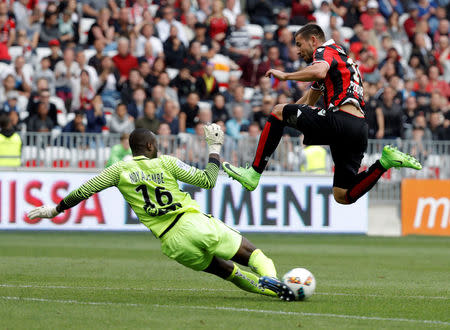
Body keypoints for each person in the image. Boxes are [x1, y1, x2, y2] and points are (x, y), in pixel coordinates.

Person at [27, 125, 294, 301]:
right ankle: (274, 281)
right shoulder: (165, 162)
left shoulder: (118, 170)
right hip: (192, 221)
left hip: (172, 242)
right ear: (151, 146)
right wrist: (214, 150)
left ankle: (268, 290)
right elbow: (209, 180)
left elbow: (84, 191)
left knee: (228, 272)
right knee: (253, 254)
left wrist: (55, 209)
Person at [222, 24, 422, 206]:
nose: (298, 51)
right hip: (358, 128)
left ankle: (254, 173)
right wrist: (285, 119)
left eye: (300, 45)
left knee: (277, 111)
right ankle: (384, 163)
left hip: (340, 120)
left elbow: (318, 72)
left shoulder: (325, 51)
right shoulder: (340, 58)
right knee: (343, 195)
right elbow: (308, 101)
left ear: (314, 40)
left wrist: (286, 76)